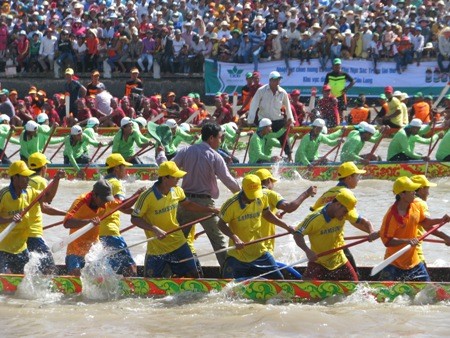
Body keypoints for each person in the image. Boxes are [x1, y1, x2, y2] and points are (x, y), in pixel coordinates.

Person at [157, 123, 240, 268]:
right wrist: (243, 196)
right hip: (206, 206)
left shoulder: (186, 150)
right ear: (211, 138)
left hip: (185, 204)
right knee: (219, 242)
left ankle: (166, 271)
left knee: (175, 241)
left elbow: (167, 169)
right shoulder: (215, 156)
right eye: (219, 138)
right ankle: (228, 274)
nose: (220, 141)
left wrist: (161, 154)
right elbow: (229, 181)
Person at [131, 161, 219, 277]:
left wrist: (211, 210)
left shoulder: (177, 190)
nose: (179, 178)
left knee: (194, 276)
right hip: (157, 247)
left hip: (178, 242)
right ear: (165, 178)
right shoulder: (147, 196)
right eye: (175, 177)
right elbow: (135, 218)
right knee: (151, 282)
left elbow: (188, 205)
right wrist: (154, 229)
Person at [218, 174, 294, 279]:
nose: (253, 198)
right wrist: (235, 238)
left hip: (259, 251)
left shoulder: (262, 197)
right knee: (228, 285)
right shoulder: (231, 204)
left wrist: (287, 226)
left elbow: (267, 214)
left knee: (279, 281)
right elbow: (220, 224)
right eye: (250, 195)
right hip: (238, 254)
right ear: (243, 189)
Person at [310, 161, 379, 273]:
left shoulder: (327, 193)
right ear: (348, 178)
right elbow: (357, 220)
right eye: (357, 176)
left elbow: (313, 212)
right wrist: (372, 232)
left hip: (317, 242)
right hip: (334, 243)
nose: (359, 179)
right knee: (353, 273)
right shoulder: (346, 195)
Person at [378, 177, 450, 281]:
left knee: (428, 291)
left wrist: (441, 220)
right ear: (402, 194)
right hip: (394, 263)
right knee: (382, 295)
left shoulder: (415, 206)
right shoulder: (391, 216)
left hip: (414, 261)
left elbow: (424, 222)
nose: (414, 193)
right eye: (411, 191)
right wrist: (407, 241)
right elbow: (387, 241)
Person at [293, 190, 362, 281]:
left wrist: (372, 232)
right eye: (344, 211)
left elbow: (362, 222)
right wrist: (307, 251)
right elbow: (297, 234)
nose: (345, 215)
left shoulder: (345, 213)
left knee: (355, 286)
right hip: (319, 261)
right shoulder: (314, 218)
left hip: (339, 259)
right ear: (337, 205)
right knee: (306, 288)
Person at [255, 168, 317, 256]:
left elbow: (262, 214)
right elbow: (289, 207)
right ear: (269, 180)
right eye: (273, 182)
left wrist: (275, 215)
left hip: (249, 244)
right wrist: (306, 193)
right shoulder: (270, 194)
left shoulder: (249, 195)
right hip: (263, 246)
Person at [100, 154, 143, 276]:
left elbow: (117, 207)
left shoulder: (102, 182)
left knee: (114, 267)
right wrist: (137, 195)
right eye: (123, 167)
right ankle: (134, 292)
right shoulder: (117, 184)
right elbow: (121, 205)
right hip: (111, 231)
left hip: (99, 231)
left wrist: (137, 213)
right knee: (131, 266)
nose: (126, 170)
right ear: (116, 169)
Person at [64, 178, 116, 276]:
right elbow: (66, 223)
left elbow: (123, 205)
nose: (106, 203)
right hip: (75, 250)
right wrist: (89, 222)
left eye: (107, 199)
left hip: (93, 250)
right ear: (95, 195)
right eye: (104, 199)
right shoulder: (80, 201)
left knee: (105, 275)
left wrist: (136, 195)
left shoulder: (106, 202)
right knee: (75, 274)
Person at [0, 161, 45, 273]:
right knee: (6, 280)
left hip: (21, 248)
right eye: (24, 177)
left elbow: (48, 197)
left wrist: (57, 180)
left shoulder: (29, 191)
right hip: (4, 248)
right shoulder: (4, 195)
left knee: (21, 280)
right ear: (15, 178)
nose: (28, 180)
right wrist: (11, 219)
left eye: (28, 176)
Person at [27, 153, 66, 274]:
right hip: (32, 231)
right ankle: (47, 289)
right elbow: (46, 203)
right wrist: (57, 179)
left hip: (20, 229)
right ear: (43, 168)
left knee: (31, 261)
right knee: (48, 264)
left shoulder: (25, 180)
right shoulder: (40, 181)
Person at [247, 71, 294, 161]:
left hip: (277, 119)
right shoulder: (261, 90)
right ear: (270, 80)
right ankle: (260, 159)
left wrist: (290, 120)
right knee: (262, 139)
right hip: (264, 120)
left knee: (284, 137)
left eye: (279, 80)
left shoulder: (282, 92)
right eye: (276, 80)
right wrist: (250, 120)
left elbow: (288, 107)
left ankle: (290, 157)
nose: (277, 82)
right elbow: (254, 105)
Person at [410, 175, 450, 265]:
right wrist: (442, 220)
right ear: (421, 189)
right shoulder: (420, 202)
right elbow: (426, 223)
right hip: (414, 249)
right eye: (427, 189)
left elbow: (426, 226)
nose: (428, 193)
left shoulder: (404, 202)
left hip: (400, 247)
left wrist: (446, 237)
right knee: (424, 277)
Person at [324, 58, 355, 122]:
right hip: (331, 96)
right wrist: (326, 94)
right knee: (331, 111)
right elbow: (325, 85)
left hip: (341, 95)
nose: (337, 66)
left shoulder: (344, 74)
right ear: (333, 66)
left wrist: (346, 88)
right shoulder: (329, 75)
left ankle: (340, 126)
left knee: (340, 112)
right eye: (336, 65)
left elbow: (353, 81)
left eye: (338, 65)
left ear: (340, 66)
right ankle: (332, 124)